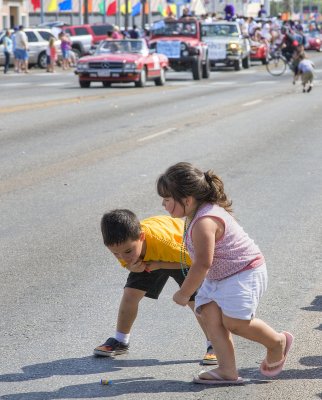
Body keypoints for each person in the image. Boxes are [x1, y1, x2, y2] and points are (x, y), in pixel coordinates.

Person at [157, 162, 294, 384]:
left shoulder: (204, 222)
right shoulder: (194, 215)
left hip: (243, 272)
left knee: (235, 322)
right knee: (211, 317)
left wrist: (184, 293)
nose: (163, 204)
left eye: (167, 199)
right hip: (220, 275)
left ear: (188, 199)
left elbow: (202, 263)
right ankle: (226, 370)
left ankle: (277, 342)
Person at [94, 209, 217, 366]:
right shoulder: (124, 247)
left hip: (182, 257)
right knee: (130, 295)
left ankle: (214, 344)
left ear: (141, 237)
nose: (124, 257)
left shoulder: (166, 242)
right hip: (147, 259)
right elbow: (126, 259)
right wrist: (133, 267)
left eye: (128, 251)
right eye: (116, 254)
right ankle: (120, 341)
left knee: (196, 301)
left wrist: (159, 264)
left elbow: (196, 261)